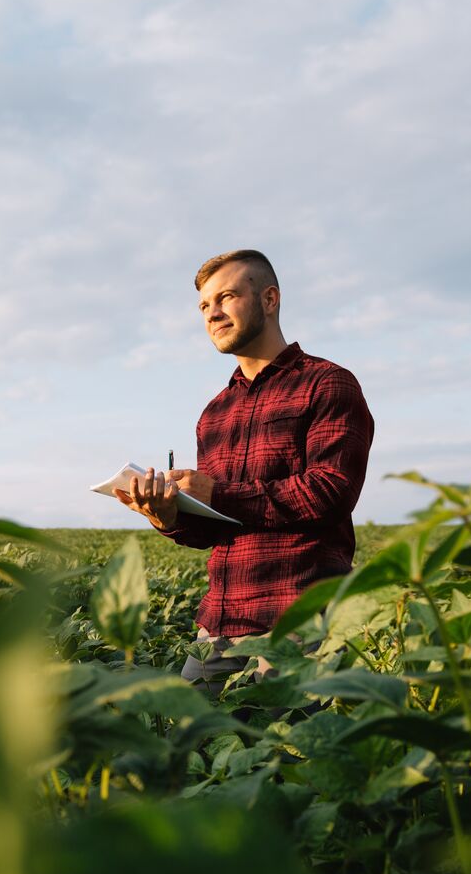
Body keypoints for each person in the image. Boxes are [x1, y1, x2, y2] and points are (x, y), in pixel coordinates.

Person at [114, 249, 374, 693]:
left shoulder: (327, 383)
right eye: (204, 305)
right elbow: (218, 529)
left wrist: (216, 492)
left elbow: (330, 491)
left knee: (290, 737)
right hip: (219, 625)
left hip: (300, 621)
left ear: (269, 299)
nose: (212, 313)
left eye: (226, 297)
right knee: (191, 733)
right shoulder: (214, 413)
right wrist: (169, 516)